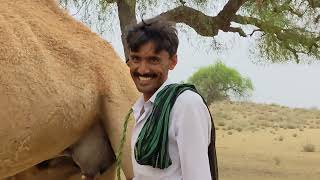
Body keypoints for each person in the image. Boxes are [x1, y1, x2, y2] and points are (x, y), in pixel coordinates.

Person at [125, 18, 218, 180]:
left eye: (153, 60)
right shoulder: (143, 108)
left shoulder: (185, 105)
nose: (142, 69)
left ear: (172, 61)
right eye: (136, 59)